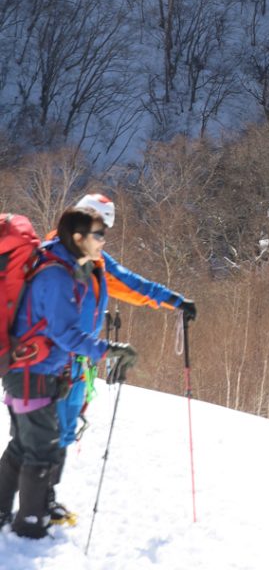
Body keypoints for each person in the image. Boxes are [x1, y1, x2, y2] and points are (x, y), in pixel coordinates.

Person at [47, 193, 197, 527]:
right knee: (47, 432)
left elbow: (130, 283)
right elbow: (130, 285)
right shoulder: (57, 260)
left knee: (60, 430)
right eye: (99, 230)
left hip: (78, 359)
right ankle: (35, 504)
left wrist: (173, 300)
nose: (102, 238)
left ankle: (41, 499)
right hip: (58, 358)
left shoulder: (94, 260)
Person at [0, 208, 137, 538]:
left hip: (26, 371)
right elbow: (65, 334)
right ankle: (31, 525)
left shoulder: (53, 263)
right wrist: (109, 350)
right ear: (78, 238)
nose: (103, 242)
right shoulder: (56, 276)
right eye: (98, 235)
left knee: (22, 447)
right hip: (34, 374)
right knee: (42, 451)